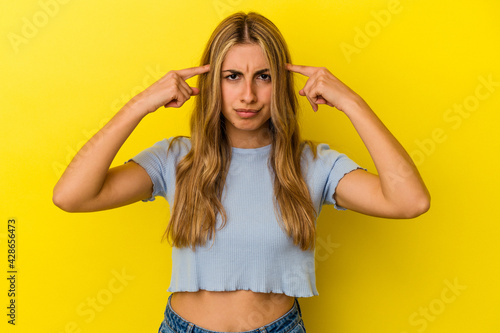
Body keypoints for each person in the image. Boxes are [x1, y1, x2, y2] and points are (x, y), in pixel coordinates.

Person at [53, 11, 430, 333]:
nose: (247, 94)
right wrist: (140, 105)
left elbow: (410, 201)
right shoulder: (177, 158)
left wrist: (351, 102)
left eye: (263, 77)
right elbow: (71, 196)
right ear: (212, 81)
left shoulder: (312, 164)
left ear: (280, 84)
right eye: (232, 76)